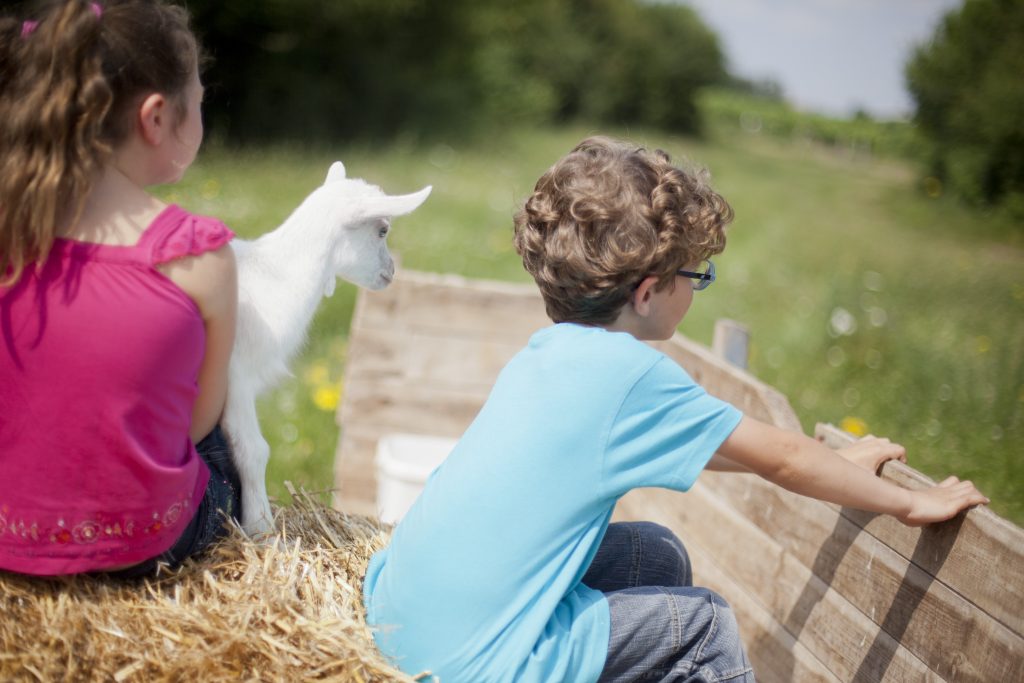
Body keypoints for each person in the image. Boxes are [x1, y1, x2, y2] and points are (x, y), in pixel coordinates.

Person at [362, 136, 990, 682]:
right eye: (697, 275)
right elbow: (786, 461)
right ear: (646, 292)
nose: (698, 286)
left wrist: (838, 463)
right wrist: (912, 503)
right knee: (705, 626)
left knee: (655, 555)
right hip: (477, 665)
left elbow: (715, 443)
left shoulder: (545, 356)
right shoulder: (630, 374)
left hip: (403, 620)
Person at [0, 0, 241, 578]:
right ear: (155, 118)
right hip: (144, 549)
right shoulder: (197, 255)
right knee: (226, 440)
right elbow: (197, 422)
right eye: (199, 104)